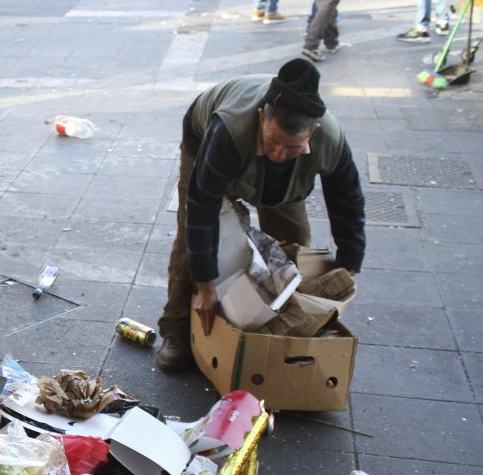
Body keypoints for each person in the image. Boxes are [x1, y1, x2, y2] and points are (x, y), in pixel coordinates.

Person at [155, 58, 366, 372]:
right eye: (274, 141)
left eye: (292, 146)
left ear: (313, 132)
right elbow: (202, 208)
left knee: (295, 244)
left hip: (284, 188)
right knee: (193, 242)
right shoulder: (229, 128)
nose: (279, 154)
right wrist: (207, 287)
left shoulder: (330, 142)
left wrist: (348, 265)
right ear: (261, 117)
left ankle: (279, 323)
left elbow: (347, 204)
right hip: (205, 143)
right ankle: (176, 330)